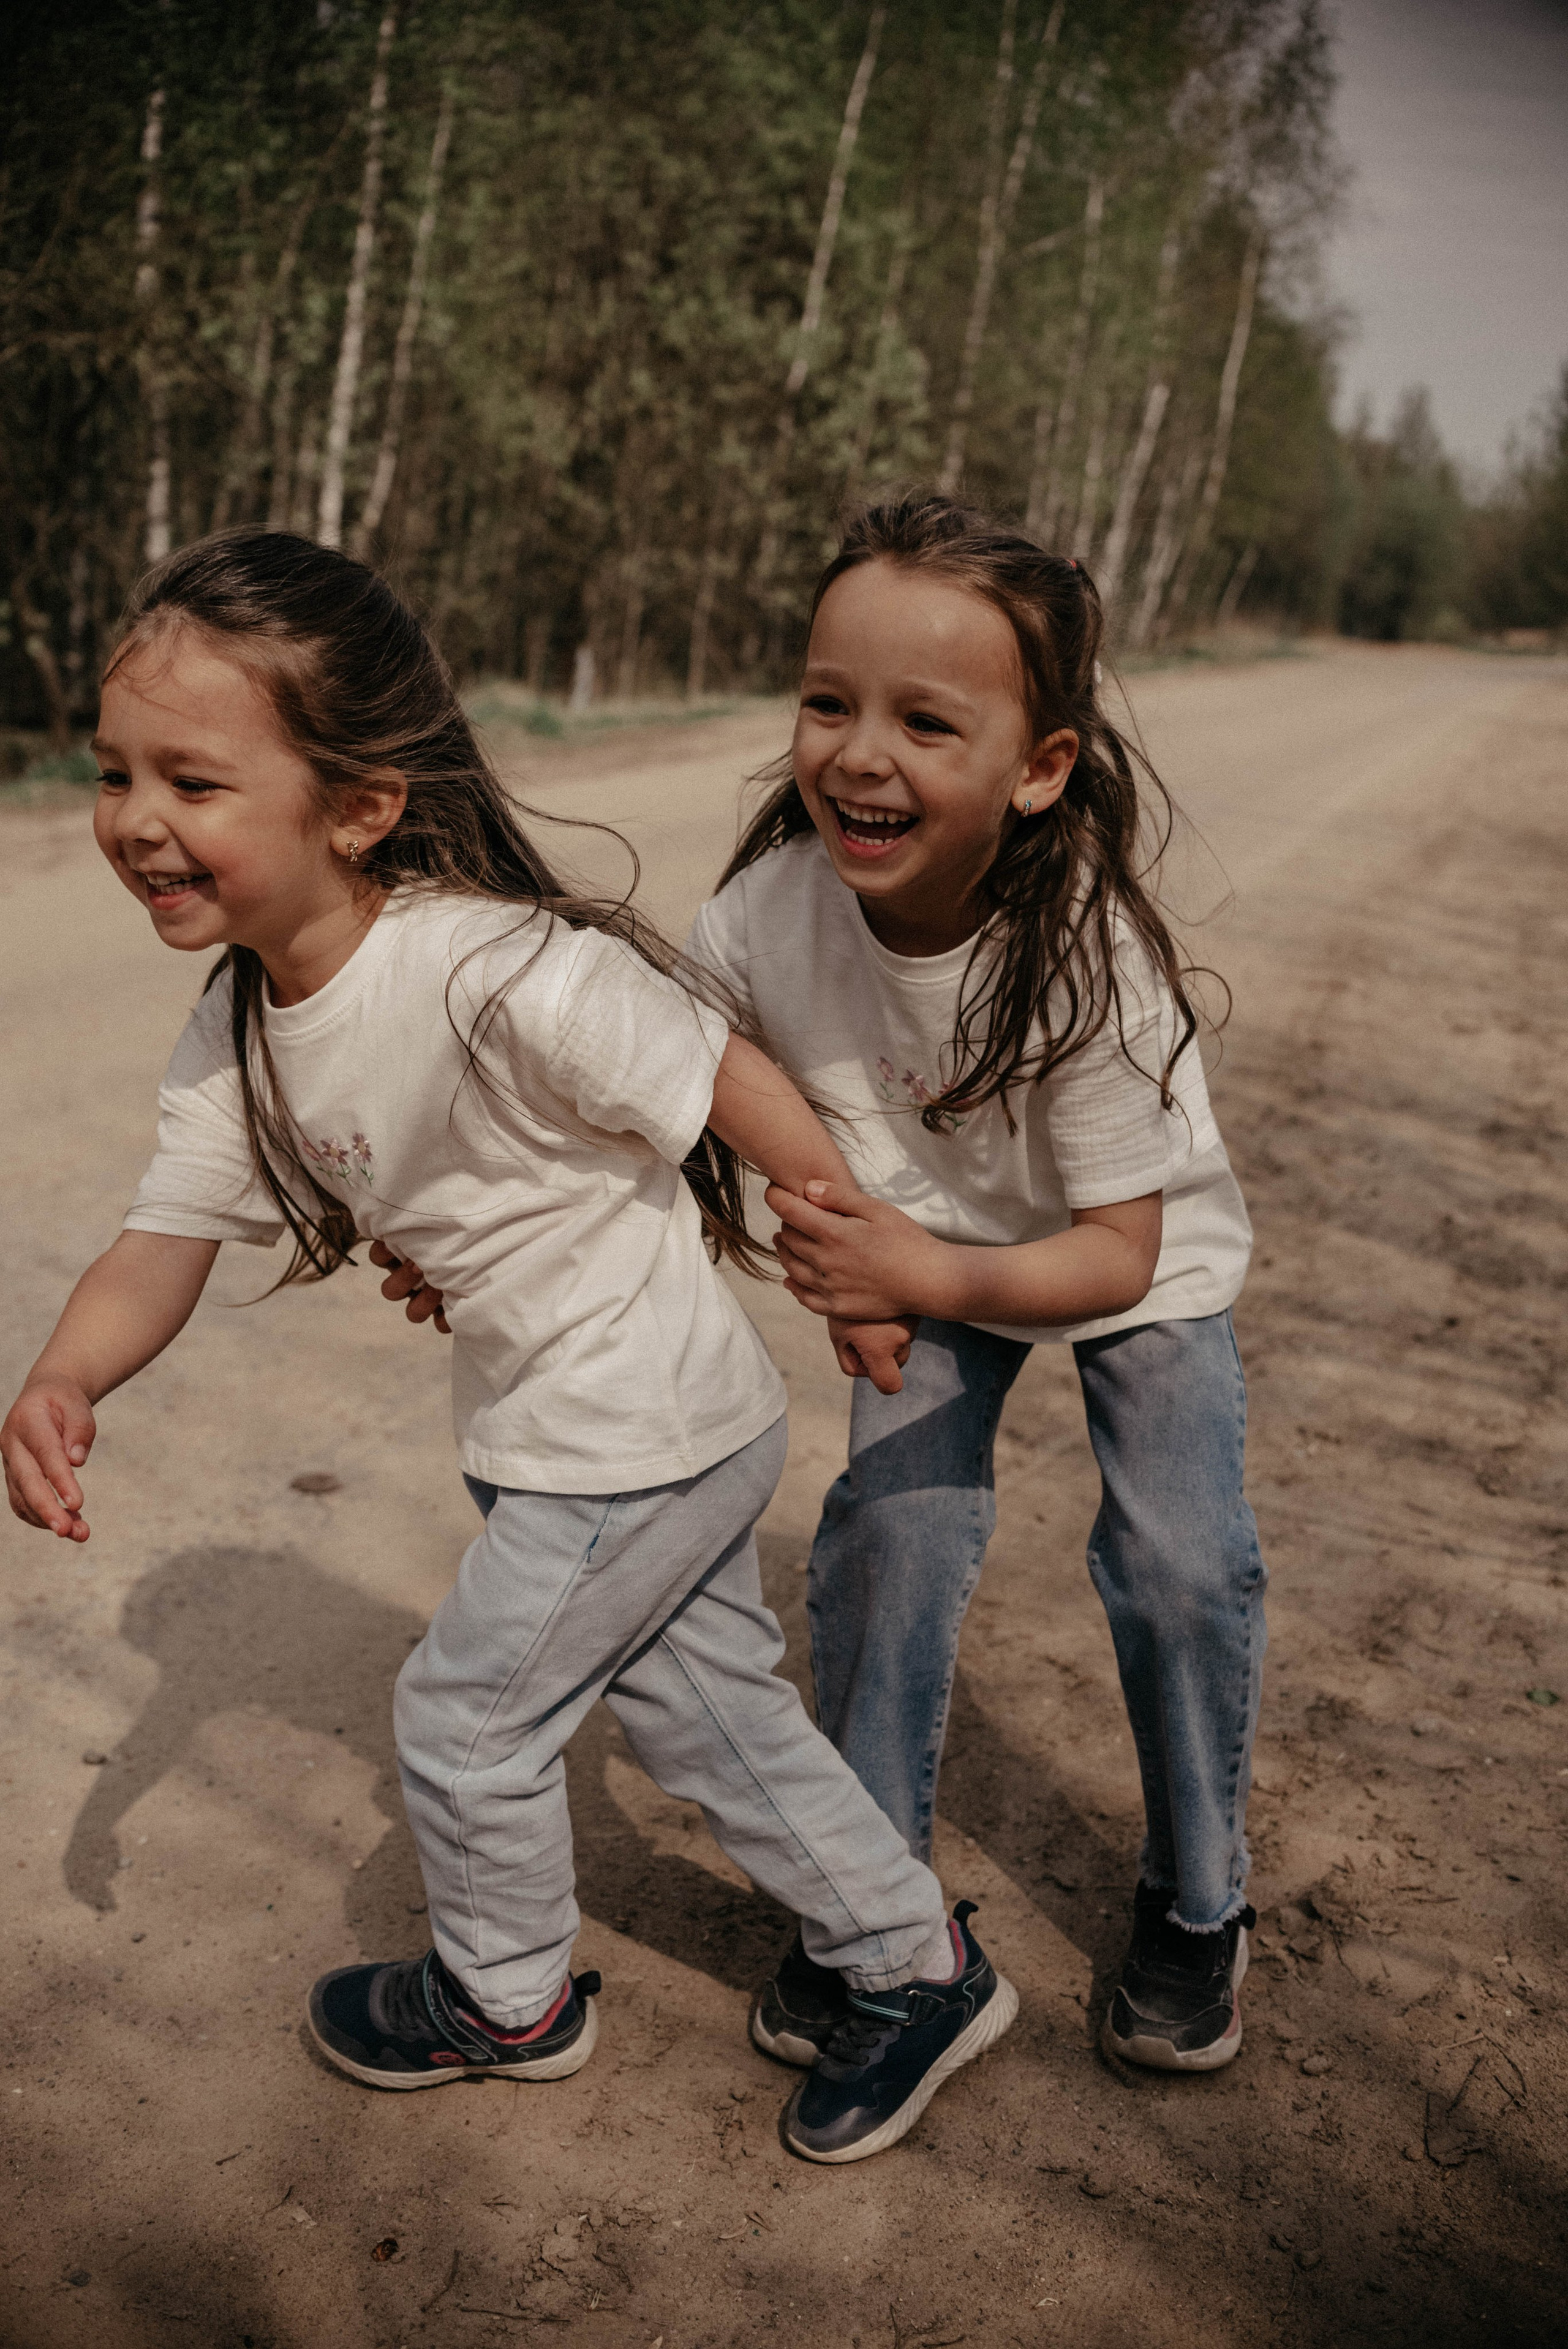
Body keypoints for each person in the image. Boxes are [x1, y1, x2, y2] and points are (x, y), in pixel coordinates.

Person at [0, 528, 1017, 2165]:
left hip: (638, 1428)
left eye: (192, 781)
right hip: (589, 1428)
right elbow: (163, 1238)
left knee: (466, 1718)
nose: (134, 819)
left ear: (359, 804)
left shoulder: (492, 967)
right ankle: (912, 1966)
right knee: (707, 1719)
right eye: (116, 774)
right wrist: (62, 1376)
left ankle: (507, 1997)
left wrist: (855, 1260)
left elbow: (720, 1078)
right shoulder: (245, 1017)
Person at [685, 494, 1265, 2076]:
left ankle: (1202, 1897)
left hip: (1111, 1254)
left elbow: (1118, 1254)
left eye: (926, 720)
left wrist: (904, 1265)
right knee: (890, 1533)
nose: (860, 754)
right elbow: (657, 1055)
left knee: (1181, 1559)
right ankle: (873, 1906)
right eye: (828, 702)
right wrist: (837, 1244)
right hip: (915, 1243)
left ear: (1039, 765)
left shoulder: (1080, 951)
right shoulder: (770, 909)